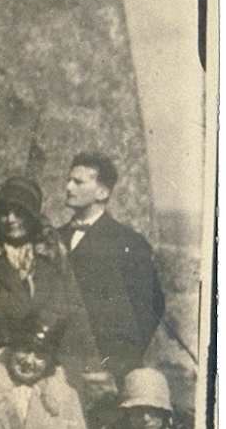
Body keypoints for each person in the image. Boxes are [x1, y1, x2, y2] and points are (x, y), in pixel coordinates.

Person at [0, 177, 101, 386]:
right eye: (4, 213)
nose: (10, 220)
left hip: (50, 370)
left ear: (33, 217)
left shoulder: (53, 259)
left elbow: (75, 315)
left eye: (19, 213)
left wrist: (90, 365)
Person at [56, 152, 165, 377]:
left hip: (102, 367)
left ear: (102, 192)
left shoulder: (127, 242)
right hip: (57, 361)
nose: (68, 187)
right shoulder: (54, 238)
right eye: (68, 180)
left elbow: (150, 307)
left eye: (78, 182)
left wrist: (119, 364)